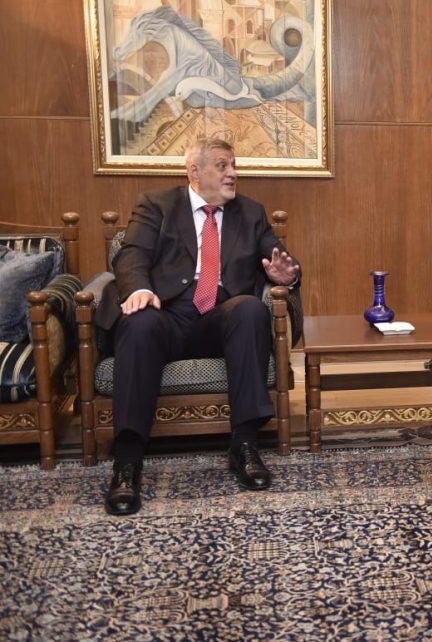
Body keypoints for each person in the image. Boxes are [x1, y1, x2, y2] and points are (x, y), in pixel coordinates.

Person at [96, 138, 300, 515]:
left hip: (220, 319)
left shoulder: (251, 212)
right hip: (167, 315)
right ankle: (127, 461)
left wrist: (288, 274)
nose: (232, 173)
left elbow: (281, 260)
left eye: (234, 166)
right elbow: (132, 256)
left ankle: (244, 445)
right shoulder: (156, 204)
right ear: (194, 171)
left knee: (250, 309)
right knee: (138, 322)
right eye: (222, 166)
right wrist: (140, 290)